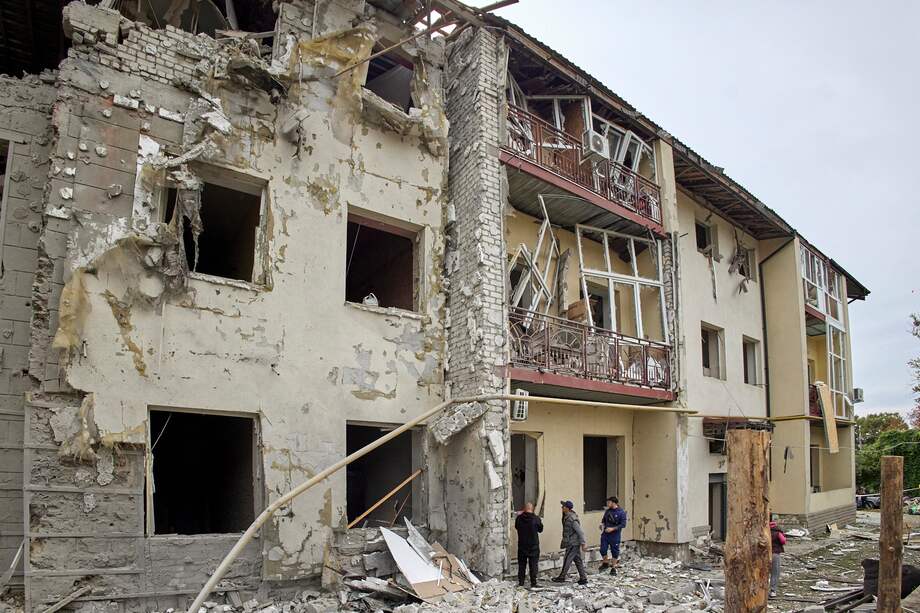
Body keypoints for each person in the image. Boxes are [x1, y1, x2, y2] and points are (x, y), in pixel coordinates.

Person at [552, 500, 588, 585]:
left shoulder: (572, 519)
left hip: (573, 543)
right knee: (578, 560)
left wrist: (583, 543)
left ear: (567, 508)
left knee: (567, 559)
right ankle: (583, 578)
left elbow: (580, 531)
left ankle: (562, 577)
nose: (562, 508)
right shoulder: (567, 516)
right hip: (572, 542)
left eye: (563, 506)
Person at [514, 502, 543, 587]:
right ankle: (533, 583)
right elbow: (541, 529)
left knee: (522, 565)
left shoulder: (519, 518)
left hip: (522, 546)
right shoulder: (536, 519)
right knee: (533, 565)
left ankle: (521, 583)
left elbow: (516, 527)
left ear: (524, 509)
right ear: (532, 509)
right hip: (533, 546)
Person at [599, 496, 627, 575]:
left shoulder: (621, 512)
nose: (607, 504)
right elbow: (603, 520)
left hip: (615, 535)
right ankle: (605, 563)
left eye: (609, 502)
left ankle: (613, 567)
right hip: (605, 534)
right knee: (602, 549)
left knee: (614, 551)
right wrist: (602, 524)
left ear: (613, 503)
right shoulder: (608, 511)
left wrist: (613, 529)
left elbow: (623, 524)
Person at [769, 520, 786, 597]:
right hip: (775, 554)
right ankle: (773, 590)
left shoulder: (765, 532)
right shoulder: (778, 533)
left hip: (764, 554)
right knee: (775, 572)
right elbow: (783, 541)